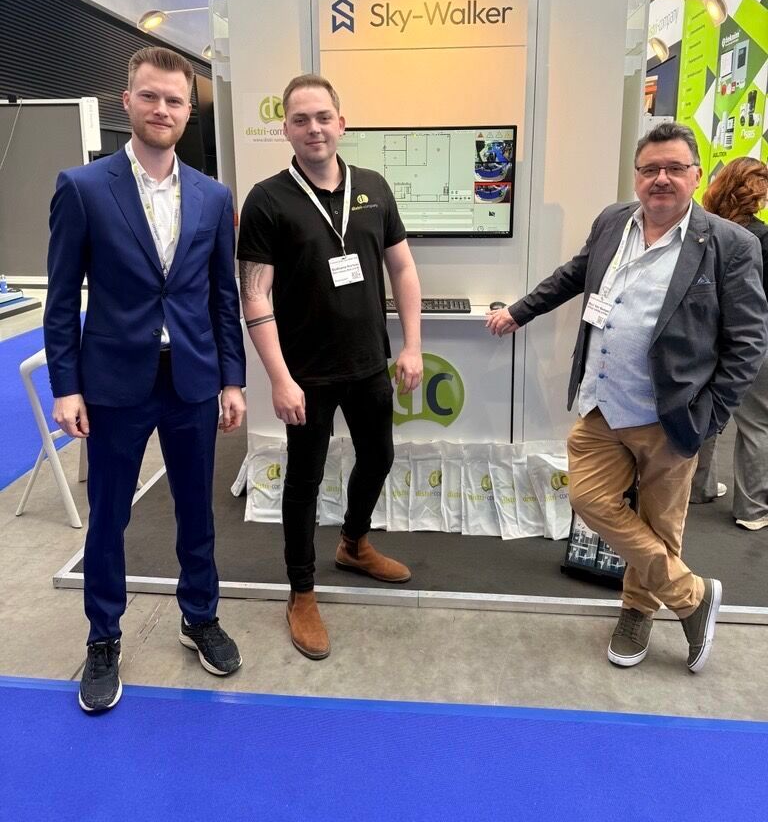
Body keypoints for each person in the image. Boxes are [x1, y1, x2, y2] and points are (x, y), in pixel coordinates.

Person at [486, 122, 767, 673]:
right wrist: (520, 310)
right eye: (649, 169)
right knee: (590, 500)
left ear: (695, 175)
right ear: (637, 175)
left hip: (672, 413)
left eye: (674, 169)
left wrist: (711, 417)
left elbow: (749, 341)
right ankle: (691, 597)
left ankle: (636, 614)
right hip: (601, 401)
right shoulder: (615, 221)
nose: (660, 179)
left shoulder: (730, 245)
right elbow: (575, 274)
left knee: (662, 524)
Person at [44, 46, 247, 713]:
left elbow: (222, 296)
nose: (163, 109)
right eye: (151, 96)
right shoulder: (82, 188)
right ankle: (103, 637)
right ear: (126, 101)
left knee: (197, 508)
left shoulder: (216, 198)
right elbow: (61, 295)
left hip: (191, 377)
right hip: (112, 380)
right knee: (109, 515)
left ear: (189, 113)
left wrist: (233, 379)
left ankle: (200, 617)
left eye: (175, 100)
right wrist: (67, 386)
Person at [237, 73, 422, 660]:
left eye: (323, 117)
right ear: (286, 129)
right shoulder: (267, 200)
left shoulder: (374, 186)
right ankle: (301, 590)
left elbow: (404, 270)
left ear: (342, 123)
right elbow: (255, 295)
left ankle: (353, 543)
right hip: (305, 374)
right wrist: (279, 378)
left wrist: (412, 345)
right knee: (304, 479)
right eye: (300, 119)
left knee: (380, 457)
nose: (313, 128)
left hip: (368, 362)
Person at [689, 157, 768, 530]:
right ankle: (752, 510)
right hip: (751, 340)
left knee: (707, 413)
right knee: (756, 424)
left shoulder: (705, 229)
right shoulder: (759, 238)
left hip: (707, 336)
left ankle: (699, 487)